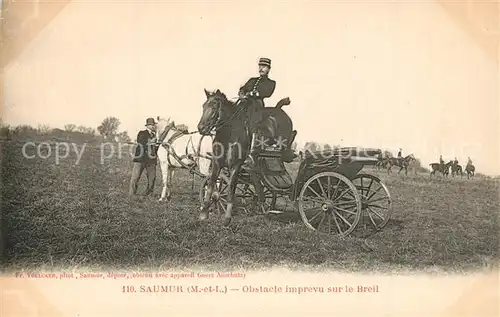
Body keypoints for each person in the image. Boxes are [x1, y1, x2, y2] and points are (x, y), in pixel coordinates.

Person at [238, 57, 276, 164]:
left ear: (269, 69)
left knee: (253, 123)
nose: (261, 68)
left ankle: (251, 152)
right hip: (244, 105)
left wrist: (249, 94)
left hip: (256, 107)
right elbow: (242, 89)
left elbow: (266, 93)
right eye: (260, 66)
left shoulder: (271, 83)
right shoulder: (252, 80)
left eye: (264, 67)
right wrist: (242, 94)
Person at [129, 117, 158, 197]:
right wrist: (151, 142)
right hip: (140, 159)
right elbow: (141, 142)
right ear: (147, 125)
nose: (153, 126)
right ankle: (131, 194)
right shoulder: (142, 133)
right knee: (135, 177)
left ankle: (148, 194)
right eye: (151, 125)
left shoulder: (156, 136)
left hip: (151, 160)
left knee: (152, 178)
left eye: (153, 125)